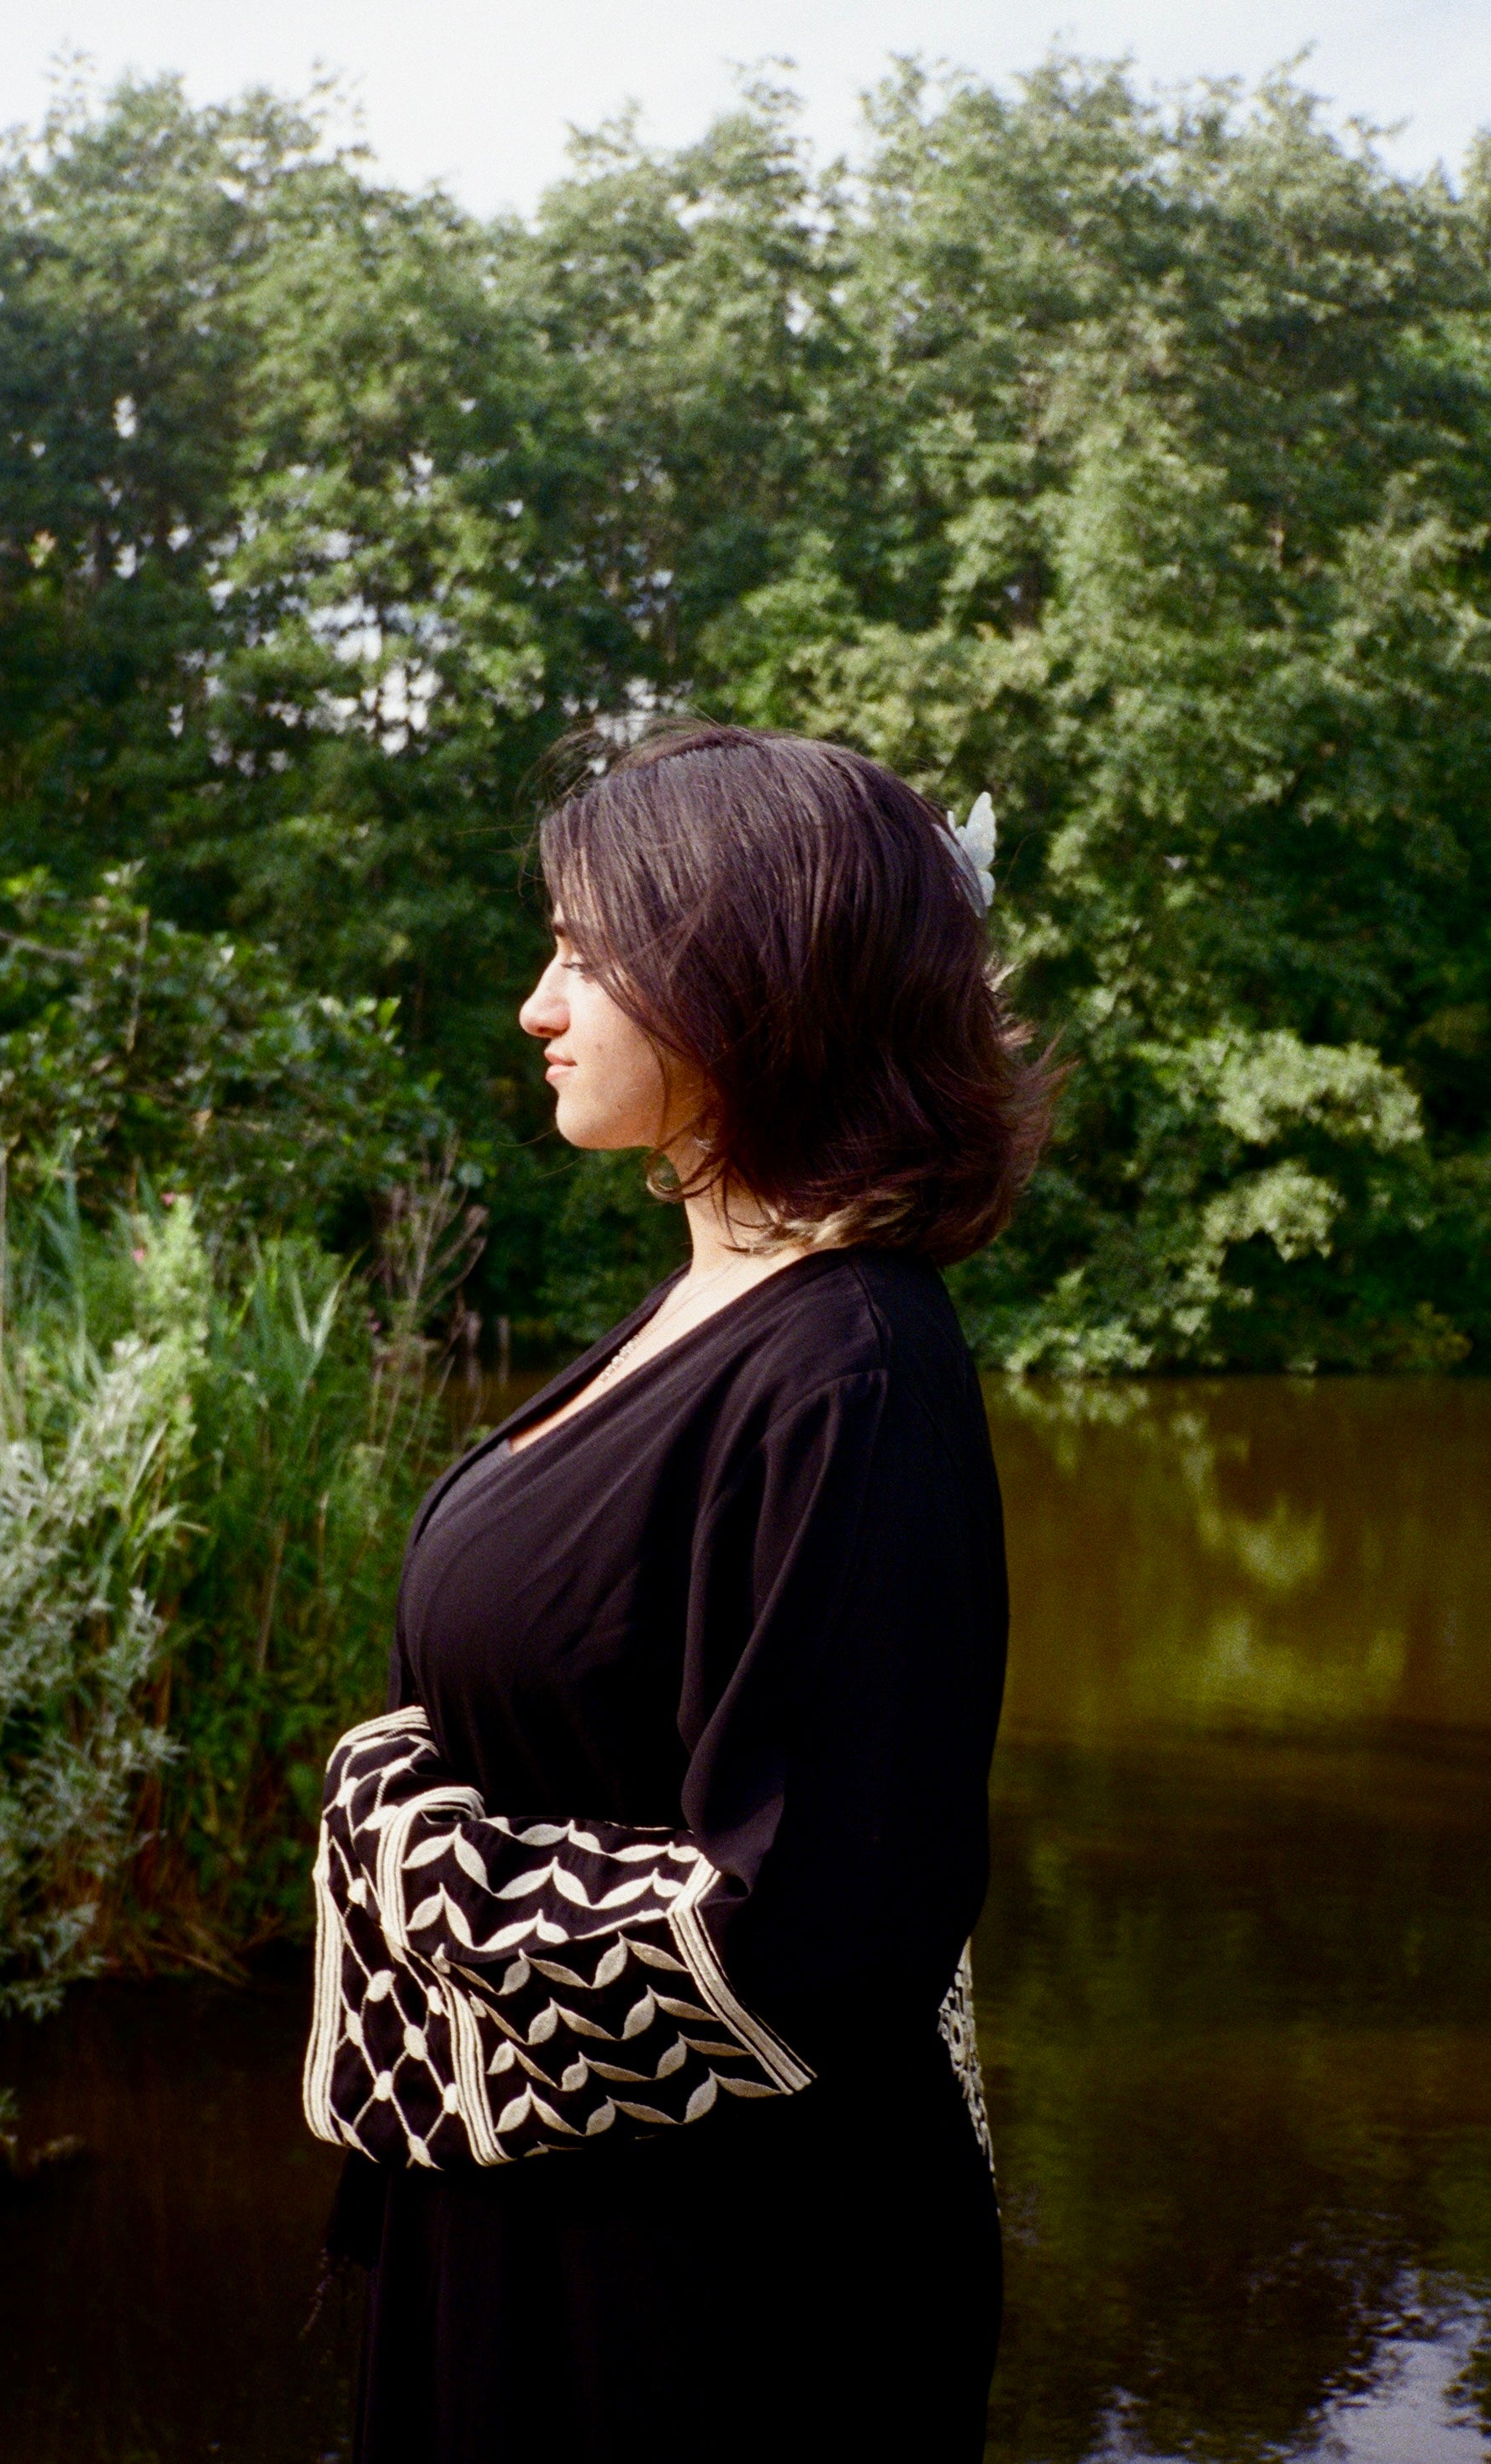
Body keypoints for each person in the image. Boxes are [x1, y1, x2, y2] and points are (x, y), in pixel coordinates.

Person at [309, 721, 1053, 2464]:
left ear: (742, 974)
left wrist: (405, 1841)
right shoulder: (716, 1306)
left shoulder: (847, 1373)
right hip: (548, 2218)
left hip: (706, 2306)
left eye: (582, 951)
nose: (536, 1004)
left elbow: (809, 1936)